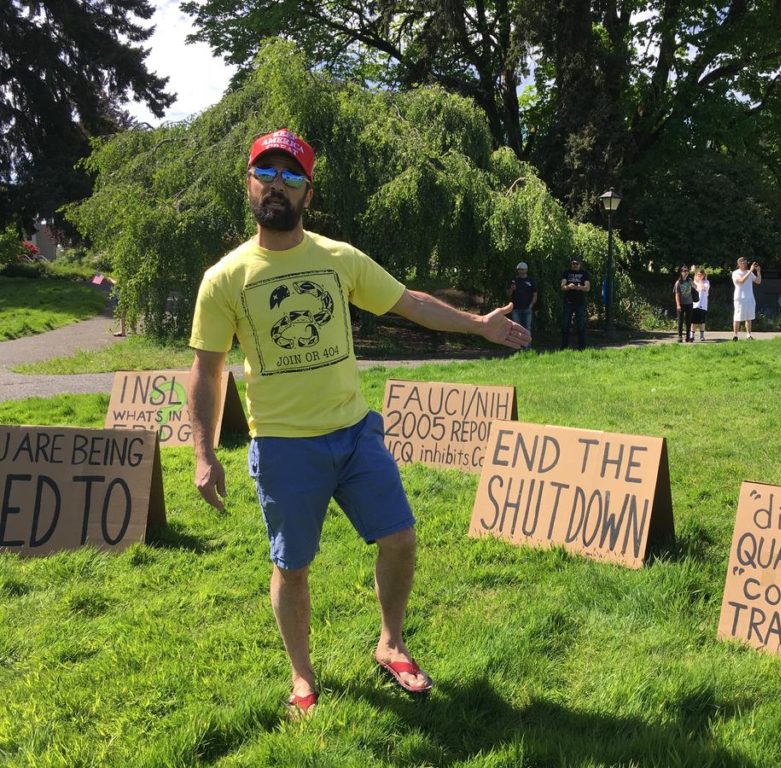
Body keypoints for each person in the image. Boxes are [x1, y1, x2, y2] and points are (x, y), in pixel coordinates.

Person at [187, 129, 530, 717]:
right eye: (266, 173)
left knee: (399, 538)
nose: (277, 185)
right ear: (248, 184)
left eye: (291, 176)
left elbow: (410, 302)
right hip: (284, 448)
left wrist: (478, 324)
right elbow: (208, 370)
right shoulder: (225, 277)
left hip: (354, 434)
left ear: (307, 195)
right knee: (291, 566)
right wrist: (204, 452)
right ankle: (302, 677)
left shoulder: (337, 258)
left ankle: (390, 642)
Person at [560, 257, 590, 350]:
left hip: (580, 303)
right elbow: (562, 287)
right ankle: (564, 347)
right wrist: (568, 286)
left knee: (581, 325)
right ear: (571, 264)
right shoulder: (566, 273)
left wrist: (578, 288)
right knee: (565, 325)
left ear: (580, 264)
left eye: (577, 263)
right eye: (573, 263)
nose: (575, 265)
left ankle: (582, 347)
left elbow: (587, 288)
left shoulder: (584, 273)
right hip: (568, 302)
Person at [506, 261, 537, 350]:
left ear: (526, 270)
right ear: (517, 270)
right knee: (516, 328)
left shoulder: (531, 280)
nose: (521, 271)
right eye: (520, 270)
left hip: (527, 308)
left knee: (527, 328)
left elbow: (535, 294)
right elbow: (508, 294)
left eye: (523, 269)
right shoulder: (513, 280)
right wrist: (511, 289)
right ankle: (518, 347)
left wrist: (531, 305)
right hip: (516, 308)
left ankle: (527, 347)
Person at [731, 257, 761, 340]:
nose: (745, 264)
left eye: (745, 262)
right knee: (737, 317)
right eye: (743, 262)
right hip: (739, 298)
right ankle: (735, 335)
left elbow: (758, 281)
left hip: (749, 297)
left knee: (748, 317)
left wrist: (758, 271)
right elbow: (741, 281)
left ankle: (748, 335)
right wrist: (751, 271)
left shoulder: (749, 272)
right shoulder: (735, 273)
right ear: (739, 264)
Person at [672, 266, 694, 342]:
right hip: (681, 303)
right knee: (680, 321)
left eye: (687, 271)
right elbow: (677, 294)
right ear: (681, 272)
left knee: (689, 321)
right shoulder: (678, 282)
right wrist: (678, 305)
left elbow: (695, 287)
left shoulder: (690, 280)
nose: (686, 272)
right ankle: (679, 336)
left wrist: (694, 283)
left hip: (689, 303)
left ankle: (688, 337)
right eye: (684, 271)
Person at [692, 268, 710, 341]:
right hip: (694, 305)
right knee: (693, 322)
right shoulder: (693, 283)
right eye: (698, 275)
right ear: (695, 275)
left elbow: (702, 288)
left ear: (703, 275)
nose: (699, 276)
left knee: (702, 322)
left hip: (703, 305)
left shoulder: (706, 282)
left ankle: (702, 336)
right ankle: (692, 335)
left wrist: (700, 280)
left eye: (701, 275)